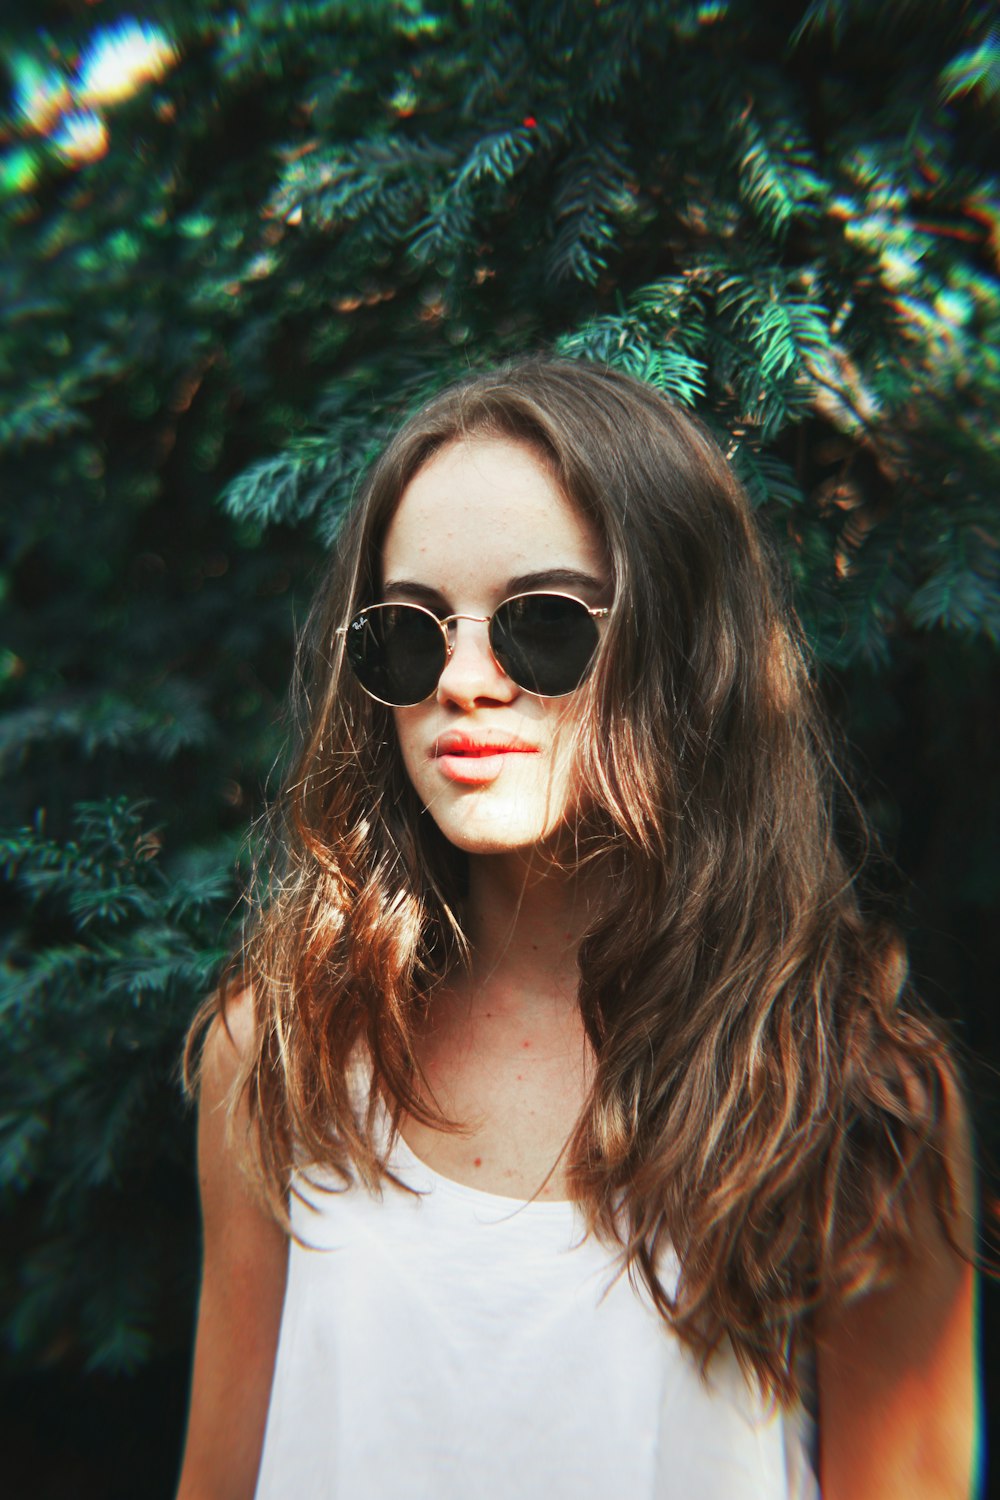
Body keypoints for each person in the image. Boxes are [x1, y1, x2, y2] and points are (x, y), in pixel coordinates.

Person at [176, 358, 979, 1500]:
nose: (461, 680)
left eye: (541, 626)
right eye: (409, 633)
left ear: (688, 647)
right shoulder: (283, 1054)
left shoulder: (851, 1102)